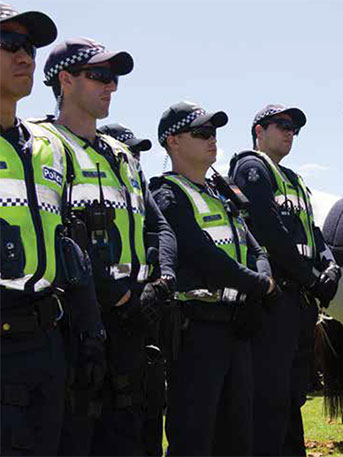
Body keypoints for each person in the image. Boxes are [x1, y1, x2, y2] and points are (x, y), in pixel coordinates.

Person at [37, 37, 178, 455]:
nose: (110, 86)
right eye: (99, 76)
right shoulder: (43, 144)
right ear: (65, 79)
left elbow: (159, 225)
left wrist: (162, 281)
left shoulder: (123, 155)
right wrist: (115, 295)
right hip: (75, 324)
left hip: (134, 320)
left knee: (130, 436)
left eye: (113, 79)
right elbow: (51, 234)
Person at [1, 3, 106, 454]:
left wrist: (89, 332)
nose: (25, 56)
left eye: (28, 46)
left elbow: (68, 246)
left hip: (47, 343)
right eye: (8, 44)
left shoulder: (46, 148)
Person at [150, 101, 277, 455]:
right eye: (201, 133)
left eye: (214, 133)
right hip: (198, 331)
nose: (212, 139)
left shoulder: (221, 194)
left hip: (237, 325)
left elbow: (257, 248)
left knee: (238, 437)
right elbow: (202, 255)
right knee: (195, 435)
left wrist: (261, 279)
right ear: (172, 142)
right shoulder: (166, 193)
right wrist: (259, 284)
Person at [229, 104, 341, 455]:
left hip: (301, 302)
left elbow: (314, 231)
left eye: (293, 127)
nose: (289, 131)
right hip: (275, 297)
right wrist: (311, 278)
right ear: (259, 131)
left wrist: (332, 266)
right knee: (271, 396)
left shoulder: (294, 179)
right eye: (281, 125)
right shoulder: (251, 168)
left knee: (293, 395)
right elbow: (269, 232)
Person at [99, 122, 165, 457]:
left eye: (138, 153)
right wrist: (122, 295)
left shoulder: (142, 194)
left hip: (146, 313)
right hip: (109, 314)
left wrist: (160, 280)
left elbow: (162, 232)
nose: (134, 158)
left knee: (150, 409)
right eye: (129, 151)